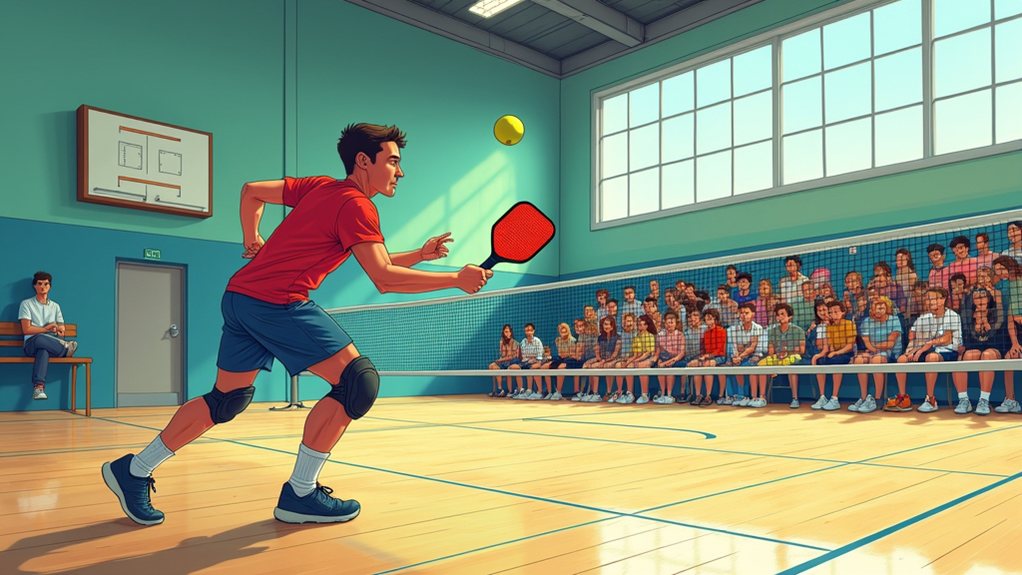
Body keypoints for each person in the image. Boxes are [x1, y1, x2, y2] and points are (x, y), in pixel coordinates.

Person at [101, 123, 492, 527]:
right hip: (277, 302)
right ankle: (301, 494)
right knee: (358, 382)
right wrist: (455, 280)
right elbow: (384, 278)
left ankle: (134, 470)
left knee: (225, 399)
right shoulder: (357, 205)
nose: (400, 171)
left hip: (239, 298)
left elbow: (251, 190)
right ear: (363, 161)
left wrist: (252, 239)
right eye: (393, 161)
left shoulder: (321, 188)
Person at [889, 287, 962, 413]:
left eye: (931, 299)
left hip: (948, 350)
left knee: (931, 357)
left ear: (942, 300)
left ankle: (930, 399)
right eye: (927, 299)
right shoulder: (923, 318)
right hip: (925, 349)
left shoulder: (952, 315)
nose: (928, 302)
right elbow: (913, 337)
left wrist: (926, 346)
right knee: (901, 359)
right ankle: (903, 398)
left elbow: (947, 338)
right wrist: (910, 351)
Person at [18, 271, 79, 401]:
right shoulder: (26, 304)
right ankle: (65, 350)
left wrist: (58, 329)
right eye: (39, 284)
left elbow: (62, 329)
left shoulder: (55, 306)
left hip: (50, 345)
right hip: (31, 344)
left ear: (50, 286)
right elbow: (26, 329)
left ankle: (39, 388)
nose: (43, 287)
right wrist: (46, 328)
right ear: (34, 286)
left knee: (44, 349)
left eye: (46, 284)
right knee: (40, 338)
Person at [952, 287, 1008, 415]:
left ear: (988, 299)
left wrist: (988, 326)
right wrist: (976, 327)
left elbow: (998, 335)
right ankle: (964, 400)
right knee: (968, 356)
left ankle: (984, 400)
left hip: (994, 347)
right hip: (974, 347)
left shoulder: (996, 313)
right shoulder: (968, 314)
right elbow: (967, 338)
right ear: (973, 300)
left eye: (983, 296)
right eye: (977, 297)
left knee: (987, 355)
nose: (980, 300)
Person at [850, 297, 902, 414]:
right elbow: (867, 343)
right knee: (858, 360)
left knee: (877, 360)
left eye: (882, 308)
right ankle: (863, 398)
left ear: (887, 308)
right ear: (871, 309)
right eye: (876, 308)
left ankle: (878, 399)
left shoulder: (894, 320)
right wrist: (875, 349)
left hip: (892, 353)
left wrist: (875, 348)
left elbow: (890, 343)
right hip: (874, 351)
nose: (879, 310)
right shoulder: (867, 322)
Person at [811, 300, 857, 411]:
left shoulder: (849, 324)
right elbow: (829, 346)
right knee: (820, 361)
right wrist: (821, 355)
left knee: (836, 361)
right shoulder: (829, 327)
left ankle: (834, 398)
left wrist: (836, 353)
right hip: (834, 353)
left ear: (843, 312)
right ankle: (822, 397)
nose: (833, 315)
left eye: (836, 312)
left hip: (847, 353)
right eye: (831, 312)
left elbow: (850, 346)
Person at [758, 303, 805, 408]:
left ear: (790, 316)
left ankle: (795, 398)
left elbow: (801, 350)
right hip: (777, 357)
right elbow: (771, 350)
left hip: (793, 357)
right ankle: (762, 397)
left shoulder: (799, 331)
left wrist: (788, 352)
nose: (780, 317)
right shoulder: (772, 331)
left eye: (783, 314)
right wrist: (778, 354)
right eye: (778, 315)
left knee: (792, 366)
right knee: (761, 365)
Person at [487, 324, 520, 397]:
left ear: (511, 333)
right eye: (505, 332)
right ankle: (497, 389)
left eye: (508, 332)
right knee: (491, 366)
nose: (507, 334)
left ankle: (507, 390)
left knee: (502, 368)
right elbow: (503, 354)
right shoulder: (501, 342)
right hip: (503, 362)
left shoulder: (515, 343)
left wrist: (500, 360)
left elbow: (512, 356)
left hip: (512, 361)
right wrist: (500, 360)